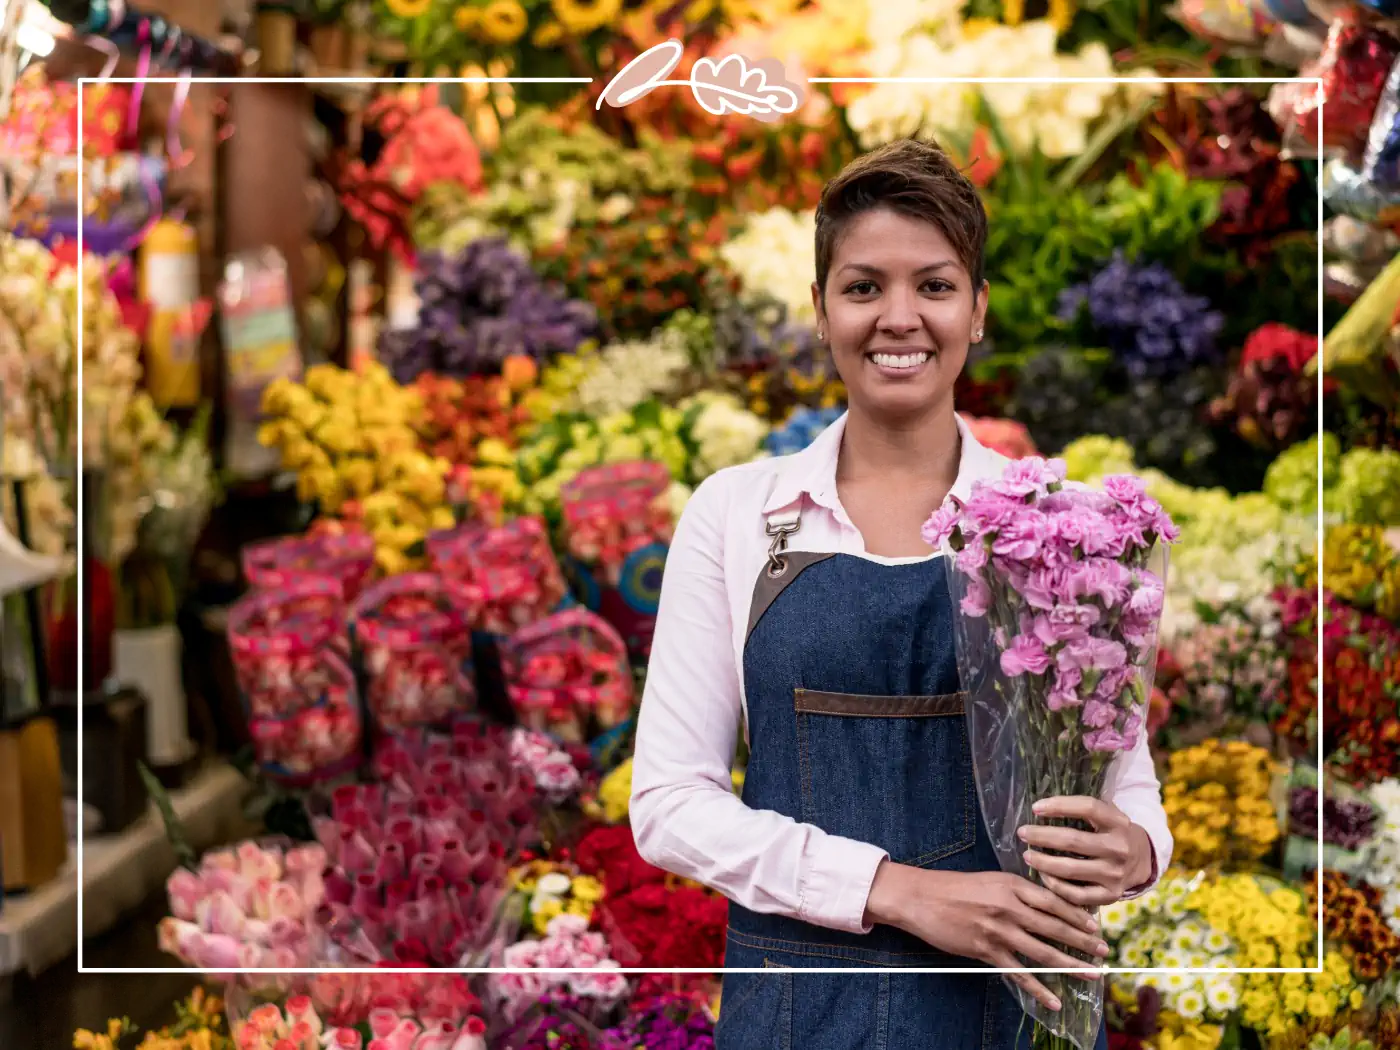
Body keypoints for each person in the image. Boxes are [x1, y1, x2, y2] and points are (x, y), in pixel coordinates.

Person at [629, 138, 1173, 1050]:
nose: (899, 317)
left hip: (1003, 1005)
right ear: (819, 309)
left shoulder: (1055, 528)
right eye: (863, 287)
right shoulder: (738, 514)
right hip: (794, 1005)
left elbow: (1124, 776)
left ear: (978, 309)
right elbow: (670, 805)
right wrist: (905, 892)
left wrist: (1138, 849)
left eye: (934, 285)